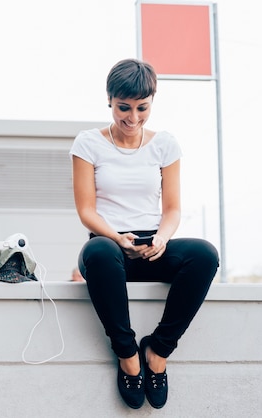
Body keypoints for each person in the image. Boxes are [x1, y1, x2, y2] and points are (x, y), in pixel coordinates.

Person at [69, 58, 219, 410]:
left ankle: (158, 350)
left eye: (142, 108)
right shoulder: (88, 143)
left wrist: (162, 239)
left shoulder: (165, 144)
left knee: (204, 255)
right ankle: (127, 356)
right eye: (124, 108)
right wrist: (120, 238)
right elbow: (86, 211)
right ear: (109, 100)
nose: (132, 118)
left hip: (153, 246)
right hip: (109, 245)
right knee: (100, 254)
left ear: (152, 101)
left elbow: (172, 209)